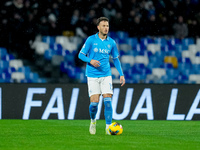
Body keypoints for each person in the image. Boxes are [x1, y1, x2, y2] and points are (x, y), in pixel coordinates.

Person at [78, 17, 125, 135]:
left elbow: (115, 59)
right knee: (94, 104)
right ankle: (93, 121)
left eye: (107, 26)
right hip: (92, 75)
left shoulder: (111, 42)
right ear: (98, 27)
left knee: (108, 101)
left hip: (106, 75)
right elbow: (81, 55)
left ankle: (108, 128)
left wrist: (121, 74)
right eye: (103, 26)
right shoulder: (90, 40)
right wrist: (91, 61)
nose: (106, 28)